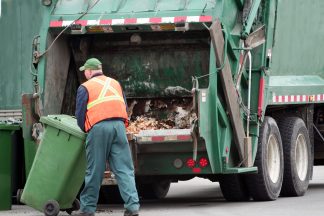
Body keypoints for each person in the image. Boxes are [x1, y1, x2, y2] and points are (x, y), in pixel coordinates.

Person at [75, 58, 140, 216]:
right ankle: (132, 207)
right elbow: (124, 106)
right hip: (118, 127)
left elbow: (80, 114)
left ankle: (87, 209)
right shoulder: (115, 83)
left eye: (85, 70)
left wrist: (86, 129)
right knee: (124, 169)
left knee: (94, 170)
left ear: (90, 71)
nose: (84, 73)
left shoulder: (85, 87)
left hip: (98, 129)